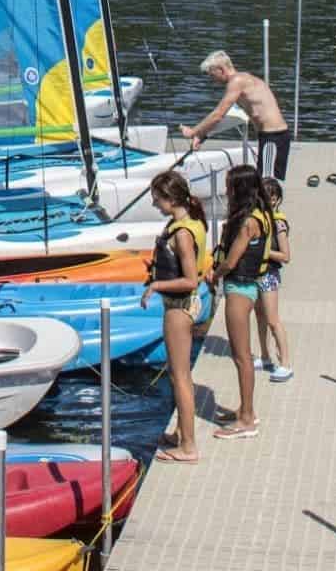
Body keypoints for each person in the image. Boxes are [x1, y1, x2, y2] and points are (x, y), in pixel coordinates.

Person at [141, 169, 210, 464]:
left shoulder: (182, 234)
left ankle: (189, 446)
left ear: (170, 198)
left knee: (180, 376)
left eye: (158, 200)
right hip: (182, 305)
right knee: (179, 373)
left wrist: (155, 284)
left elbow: (191, 279)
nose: (156, 205)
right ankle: (181, 431)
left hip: (179, 306)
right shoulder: (189, 222)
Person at [210, 164, 273, 440]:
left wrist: (214, 273)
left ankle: (247, 419)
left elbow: (232, 260)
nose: (226, 190)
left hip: (240, 288)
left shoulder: (249, 222)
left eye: (229, 186)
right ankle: (244, 408)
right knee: (242, 356)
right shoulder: (261, 215)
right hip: (248, 287)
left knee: (241, 356)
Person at [181, 50, 292, 182]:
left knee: (267, 183)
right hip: (273, 136)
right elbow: (229, 117)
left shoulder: (236, 82)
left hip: (273, 137)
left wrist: (193, 131)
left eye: (212, 75)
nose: (213, 80)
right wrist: (202, 135)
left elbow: (218, 115)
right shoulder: (244, 79)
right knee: (268, 182)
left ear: (221, 69)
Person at [253, 177, 293, 382]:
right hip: (257, 273)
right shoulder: (261, 219)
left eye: (269, 198)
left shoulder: (278, 223)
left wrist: (263, 252)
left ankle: (286, 363)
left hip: (269, 275)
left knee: (272, 319)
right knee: (259, 316)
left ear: (276, 199)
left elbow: (286, 256)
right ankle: (265, 356)